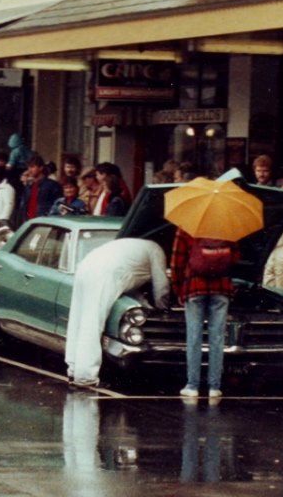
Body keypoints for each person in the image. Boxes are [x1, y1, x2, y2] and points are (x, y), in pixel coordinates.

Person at [65, 239, 170, 386]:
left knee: (78, 318)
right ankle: (85, 377)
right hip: (104, 272)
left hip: (87, 264)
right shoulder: (156, 249)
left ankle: (73, 369)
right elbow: (161, 285)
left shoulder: (139, 246)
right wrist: (163, 306)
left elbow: (131, 283)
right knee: (93, 322)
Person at [170, 228, 239, 399]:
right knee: (217, 338)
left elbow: (176, 263)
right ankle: (214, 387)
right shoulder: (228, 227)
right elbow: (235, 259)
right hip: (221, 288)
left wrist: (179, 290)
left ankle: (192, 385)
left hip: (194, 287)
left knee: (194, 336)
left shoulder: (187, 227)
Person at [21, 155, 60, 222]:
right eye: (28, 167)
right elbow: (24, 206)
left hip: (45, 222)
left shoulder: (52, 185)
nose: (29, 170)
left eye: (32, 167)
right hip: (29, 222)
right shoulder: (28, 186)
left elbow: (58, 205)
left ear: (41, 168)